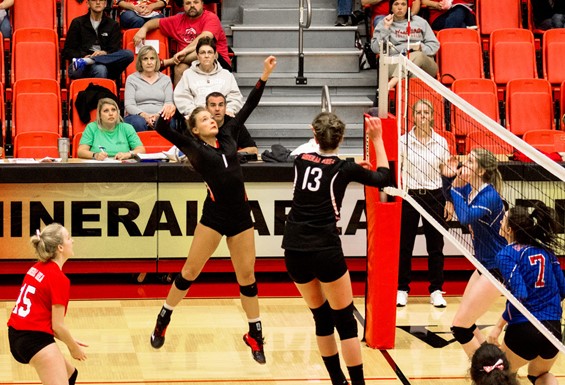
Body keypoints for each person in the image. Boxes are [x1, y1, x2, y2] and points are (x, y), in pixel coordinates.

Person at [149, 56, 277, 365]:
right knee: (190, 271)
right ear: (195, 129)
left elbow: (248, 106)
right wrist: (166, 113)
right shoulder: (195, 148)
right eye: (205, 119)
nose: (212, 120)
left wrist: (265, 75)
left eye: (212, 116)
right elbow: (164, 130)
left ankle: (254, 334)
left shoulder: (229, 134)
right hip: (215, 216)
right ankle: (165, 316)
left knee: (246, 276)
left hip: (241, 217)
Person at [282, 112, 390, 385]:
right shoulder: (345, 168)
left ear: (313, 134)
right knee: (345, 321)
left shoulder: (299, 160)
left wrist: (350, 165)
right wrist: (377, 140)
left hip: (294, 249)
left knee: (321, 317)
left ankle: (337, 381)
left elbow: (320, 163)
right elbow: (383, 178)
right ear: (341, 138)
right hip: (325, 248)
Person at [487, 203, 565, 385]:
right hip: (552, 329)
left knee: (500, 377)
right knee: (539, 375)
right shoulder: (547, 252)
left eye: (503, 219)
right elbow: (563, 290)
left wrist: (499, 326)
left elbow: (520, 294)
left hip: (525, 328)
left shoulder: (506, 254)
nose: (500, 222)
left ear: (510, 229)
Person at [7, 223, 87, 385]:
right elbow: (57, 325)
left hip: (17, 334)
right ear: (60, 247)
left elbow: (43, 318)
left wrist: (69, 339)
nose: (73, 241)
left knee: (70, 374)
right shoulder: (58, 279)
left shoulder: (36, 268)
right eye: (69, 238)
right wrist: (73, 348)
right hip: (33, 340)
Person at [446, 148, 507, 357]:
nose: (465, 163)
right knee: (467, 323)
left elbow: (465, 217)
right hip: (483, 265)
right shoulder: (471, 190)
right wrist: (451, 177)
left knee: (460, 327)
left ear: (480, 171)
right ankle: (493, 365)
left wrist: (453, 188)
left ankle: (485, 372)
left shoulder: (489, 196)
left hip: (496, 269)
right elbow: (452, 194)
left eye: (470, 161)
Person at [397, 99, 453, 308]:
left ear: (432, 117)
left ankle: (436, 290)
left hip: (435, 196)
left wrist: (449, 200)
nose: (422, 116)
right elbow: (397, 171)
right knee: (405, 246)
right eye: (418, 112)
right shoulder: (403, 141)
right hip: (410, 196)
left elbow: (446, 174)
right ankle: (402, 289)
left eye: (426, 113)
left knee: (436, 247)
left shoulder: (441, 142)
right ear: (413, 116)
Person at [133, 0, 231, 86]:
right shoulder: (178, 20)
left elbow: (205, 38)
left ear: (202, 3)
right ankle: (179, 105)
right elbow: (155, 22)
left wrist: (183, 52)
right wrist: (144, 29)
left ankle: (169, 62)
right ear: (183, 5)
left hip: (217, 61)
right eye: (188, 3)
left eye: (196, 2)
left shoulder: (211, 17)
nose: (192, 5)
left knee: (206, 51)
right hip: (187, 62)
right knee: (179, 68)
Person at [371, 0, 439, 90]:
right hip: (395, 62)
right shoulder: (383, 24)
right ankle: (410, 102)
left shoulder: (421, 22)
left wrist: (421, 48)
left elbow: (434, 45)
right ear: (391, 7)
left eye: (403, 4)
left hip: (425, 64)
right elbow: (375, 48)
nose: (400, 7)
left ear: (408, 7)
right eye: (396, 4)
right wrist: (386, 28)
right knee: (414, 72)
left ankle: (394, 81)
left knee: (418, 55)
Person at [62, 0, 134, 80]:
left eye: (101, 0)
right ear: (88, 4)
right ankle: (89, 60)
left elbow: (115, 49)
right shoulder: (78, 23)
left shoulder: (113, 25)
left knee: (128, 54)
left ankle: (92, 60)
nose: (98, 2)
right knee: (100, 68)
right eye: (94, 0)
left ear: (105, 4)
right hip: (81, 64)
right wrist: (84, 56)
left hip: (106, 63)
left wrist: (104, 53)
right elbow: (68, 50)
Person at [174, 36, 243, 119]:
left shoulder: (226, 75)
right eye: (203, 53)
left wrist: (229, 110)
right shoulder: (188, 74)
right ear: (198, 56)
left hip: (222, 118)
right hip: (198, 119)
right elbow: (182, 98)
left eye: (209, 52)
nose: (206, 56)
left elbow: (235, 97)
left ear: (214, 55)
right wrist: (194, 113)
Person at [124, 45, 176, 132]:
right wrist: (144, 115)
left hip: (160, 115)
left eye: (152, 58)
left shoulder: (165, 79)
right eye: (145, 59)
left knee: (168, 122)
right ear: (140, 62)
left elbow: (168, 103)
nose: (149, 62)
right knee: (138, 122)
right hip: (137, 116)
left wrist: (157, 115)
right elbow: (129, 105)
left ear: (156, 61)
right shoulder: (131, 79)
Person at [77, 98, 146, 160]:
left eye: (113, 110)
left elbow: (141, 150)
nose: (111, 113)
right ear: (99, 115)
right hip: (98, 167)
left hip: (122, 167)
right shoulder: (91, 127)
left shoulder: (127, 128)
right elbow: (81, 151)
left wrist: (128, 154)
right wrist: (95, 155)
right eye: (106, 111)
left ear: (117, 112)